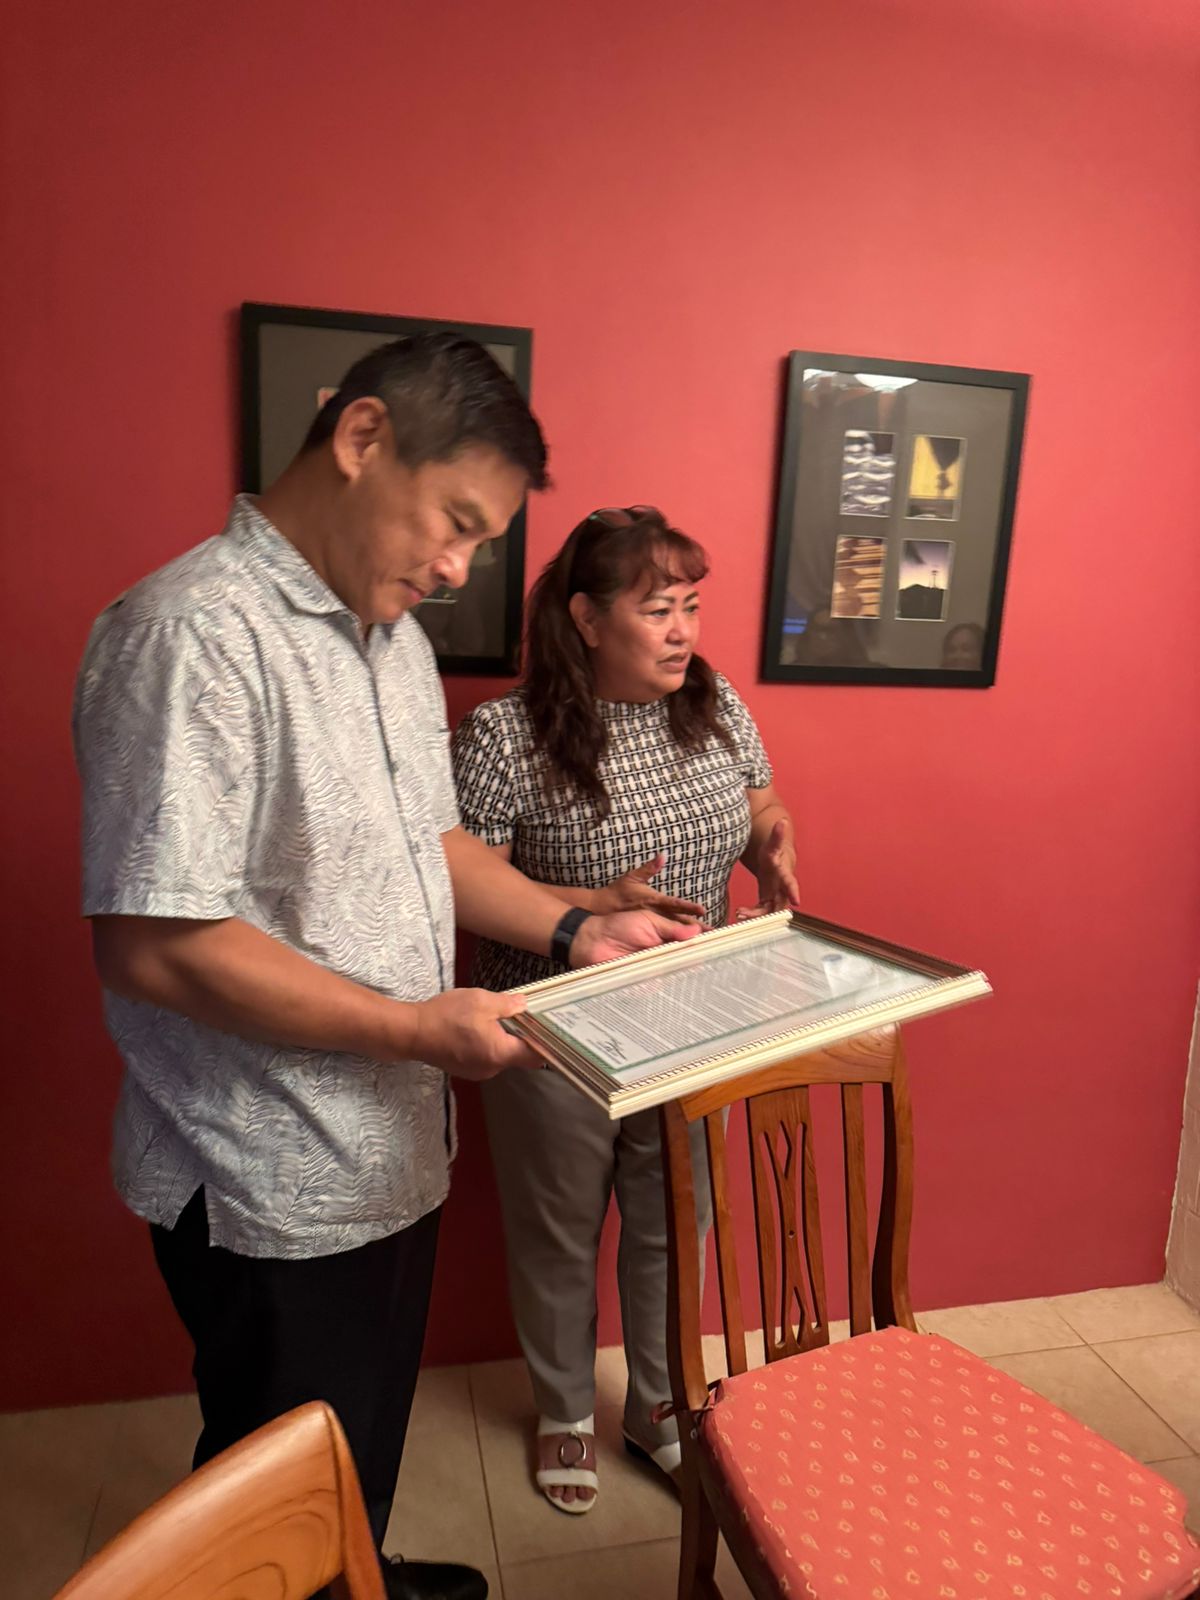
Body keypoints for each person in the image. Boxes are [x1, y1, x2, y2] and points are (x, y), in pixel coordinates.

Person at [71, 342, 695, 1600]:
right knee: (270, 1478)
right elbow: (153, 941)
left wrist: (576, 930)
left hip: (393, 1151)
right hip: (269, 1174)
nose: (462, 565)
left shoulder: (391, 639)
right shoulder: (193, 633)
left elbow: (431, 844)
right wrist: (417, 1032)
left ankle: (358, 1565)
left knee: (352, 1442)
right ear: (362, 439)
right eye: (456, 522)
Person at [451, 506, 799, 1515]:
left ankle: (657, 1408)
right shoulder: (503, 735)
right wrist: (578, 916)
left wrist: (772, 844)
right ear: (588, 620)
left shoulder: (717, 703)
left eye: (692, 605)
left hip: (699, 1018)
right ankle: (564, 1411)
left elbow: (764, 804)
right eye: (660, 610)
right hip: (557, 1032)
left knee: (670, 1222)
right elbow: (452, 877)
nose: (685, 629)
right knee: (558, 1229)